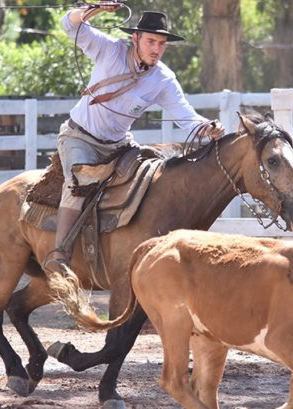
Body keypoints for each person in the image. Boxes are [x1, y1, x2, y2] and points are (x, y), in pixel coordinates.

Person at [42, 6, 225, 275]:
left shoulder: (163, 78)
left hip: (118, 144)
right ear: (135, 38)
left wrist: (206, 127)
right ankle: (59, 254)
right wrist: (96, 8)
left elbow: (184, 114)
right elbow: (69, 25)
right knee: (79, 181)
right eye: (151, 41)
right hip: (79, 136)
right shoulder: (109, 50)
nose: (156, 49)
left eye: (161, 44)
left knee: (149, 178)